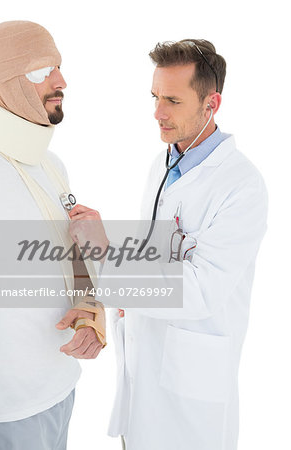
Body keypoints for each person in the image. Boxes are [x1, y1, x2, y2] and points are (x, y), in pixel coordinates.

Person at [68, 39, 268, 450]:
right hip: (143, 373)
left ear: (211, 102)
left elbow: (199, 290)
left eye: (172, 100)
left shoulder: (242, 186)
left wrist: (107, 256)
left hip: (192, 395)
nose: (157, 113)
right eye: (155, 96)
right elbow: (158, 254)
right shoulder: (166, 162)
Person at [0, 20, 105, 450]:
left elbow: (74, 255)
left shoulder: (52, 164)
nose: (61, 81)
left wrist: (90, 310)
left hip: (60, 385)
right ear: (2, 83)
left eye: (57, 67)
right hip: (5, 407)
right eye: (42, 71)